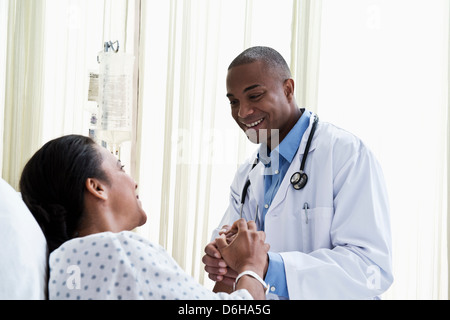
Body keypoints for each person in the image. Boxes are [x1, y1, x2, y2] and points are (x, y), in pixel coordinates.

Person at [202, 46, 394, 299]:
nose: (243, 112)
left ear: (288, 89)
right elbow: (233, 245)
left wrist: (268, 267)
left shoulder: (345, 154)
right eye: (234, 102)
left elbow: (370, 268)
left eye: (255, 96)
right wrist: (222, 259)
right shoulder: (248, 174)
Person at [19, 134, 270, 300]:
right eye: (121, 168)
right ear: (97, 187)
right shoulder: (120, 251)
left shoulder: (67, 262)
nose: (133, 182)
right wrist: (252, 263)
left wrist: (231, 275)